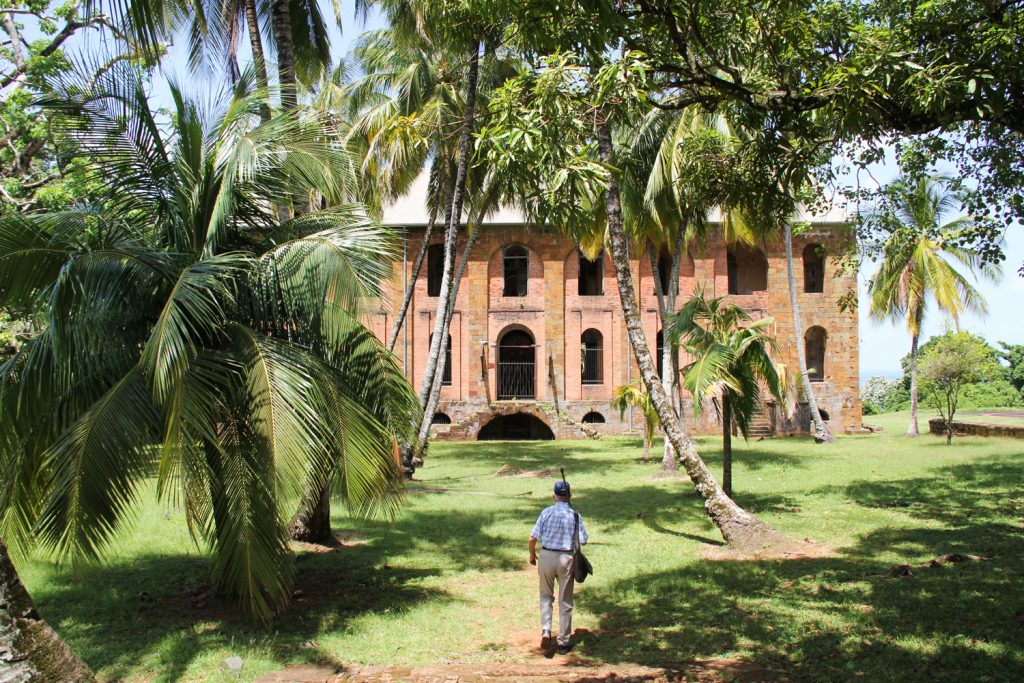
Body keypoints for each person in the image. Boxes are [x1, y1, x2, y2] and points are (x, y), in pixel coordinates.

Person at [528, 480, 588, 655]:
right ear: (569, 496)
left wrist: (532, 556)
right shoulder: (575, 515)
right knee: (565, 600)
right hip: (565, 559)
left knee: (545, 596)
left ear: (554, 495)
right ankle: (563, 642)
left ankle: (546, 630)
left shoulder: (546, 512)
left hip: (546, 556)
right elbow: (583, 540)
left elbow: (532, 538)